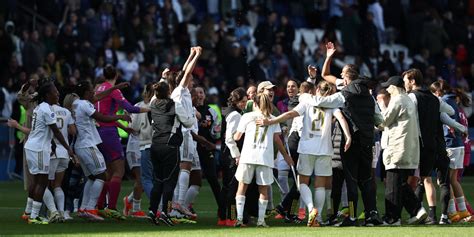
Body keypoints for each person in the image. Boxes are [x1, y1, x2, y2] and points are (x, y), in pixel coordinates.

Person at [258, 81, 352, 227]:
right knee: (320, 185)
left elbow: (290, 114)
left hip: (307, 148)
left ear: (316, 91)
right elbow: (341, 118)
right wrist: (348, 136)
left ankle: (310, 208)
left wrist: (271, 121)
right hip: (324, 149)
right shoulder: (332, 104)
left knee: (302, 182)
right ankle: (318, 217)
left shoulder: (307, 101)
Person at [319, 42, 384, 226]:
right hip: (368, 140)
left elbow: (324, 87)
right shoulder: (367, 92)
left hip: (349, 142)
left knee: (351, 180)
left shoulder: (344, 93)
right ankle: (372, 215)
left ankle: (353, 217)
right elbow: (378, 118)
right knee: (367, 179)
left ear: (346, 78)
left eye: (341, 75)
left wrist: (329, 57)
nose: (339, 78)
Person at [148, 46, 201, 226]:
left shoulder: (178, 92)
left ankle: (164, 208)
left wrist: (191, 54)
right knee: (182, 169)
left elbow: (184, 72)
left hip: (165, 140)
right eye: (191, 79)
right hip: (181, 135)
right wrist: (197, 56)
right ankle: (175, 207)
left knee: (171, 175)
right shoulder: (179, 91)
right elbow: (186, 73)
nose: (192, 81)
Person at [402, 68, 461, 224]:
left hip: (421, 145)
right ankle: (443, 217)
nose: (405, 84)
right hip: (439, 145)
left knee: (423, 179)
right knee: (443, 182)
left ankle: (425, 215)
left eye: (406, 80)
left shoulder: (411, 97)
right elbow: (449, 111)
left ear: (412, 81)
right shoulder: (435, 99)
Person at [94, 65, 149, 220]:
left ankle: (100, 206)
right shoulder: (114, 90)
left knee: (108, 172)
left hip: (98, 132)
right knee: (119, 171)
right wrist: (149, 110)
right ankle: (111, 207)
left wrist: (123, 126)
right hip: (109, 134)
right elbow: (130, 108)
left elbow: (103, 114)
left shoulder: (98, 90)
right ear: (116, 75)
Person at [73, 80, 131, 221]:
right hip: (88, 145)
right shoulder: (86, 105)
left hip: (80, 145)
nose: (94, 93)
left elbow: (99, 97)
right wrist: (120, 116)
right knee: (102, 175)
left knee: (92, 177)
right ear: (86, 93)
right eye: (91, 90)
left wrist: (115, 87)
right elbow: (102, 118)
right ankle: (91, 208)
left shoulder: (76, 103)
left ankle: (83, 208)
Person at [233, 93, 294, 227]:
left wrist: (232, 134)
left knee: (242, 186)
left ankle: (238, 219)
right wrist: (285, 156)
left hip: (248, 156)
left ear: (255, 104)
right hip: (264, 157)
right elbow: (277, 139)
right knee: (263, 189)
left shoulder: (247, 116)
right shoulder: (273, 119)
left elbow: (237, 137)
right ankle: (261, 221)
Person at [23, 82, 74, 224]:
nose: (58, 94)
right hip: (38, 148)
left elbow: (45, 131)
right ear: (47, 95)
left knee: (38, 181)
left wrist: (51, 144)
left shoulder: (40, 107)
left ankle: (30, 213)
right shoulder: (47, 109)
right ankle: (34, 217)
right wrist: (68, 148)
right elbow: (56, 131)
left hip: (34, 146)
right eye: (55, 92)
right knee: (42, 182)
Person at [378, 76, 426, 226]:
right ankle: (416, 210)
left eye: (389, 87)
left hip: (397, 148)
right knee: (400, 184)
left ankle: (393, 218)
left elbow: (384, 120)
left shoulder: (397, 100)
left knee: (392, 186)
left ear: (395, 87)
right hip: (409, 149)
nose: (387, 89)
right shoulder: (408, 100)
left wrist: (380, 107)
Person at [430, 80, 472, 223]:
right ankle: (463, 211)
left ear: (437, 92)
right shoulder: (454, 102)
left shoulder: (442, 101)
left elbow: (446, 121)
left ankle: (452, 212)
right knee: (454, 180)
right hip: (459, 144)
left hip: (449, 144)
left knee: (444, 180)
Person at [123, 83, 155, 218]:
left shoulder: (155, 106)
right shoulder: (137, 107)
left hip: (147, 145)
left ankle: (129, 200)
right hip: (135, 145)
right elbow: (133, 128)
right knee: (141, 178)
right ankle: (136, 209)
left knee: (146, 178)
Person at [218, 87, 247, 226]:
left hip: (225, 154)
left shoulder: (228, 112)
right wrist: (237, 155)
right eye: (242, 101)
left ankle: (222, 217)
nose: (244, 104)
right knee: (232, 187)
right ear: (236, 101)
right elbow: (229, 138)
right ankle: (231, 217)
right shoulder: (235, 115)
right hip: (231, 156)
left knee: (226, 188)